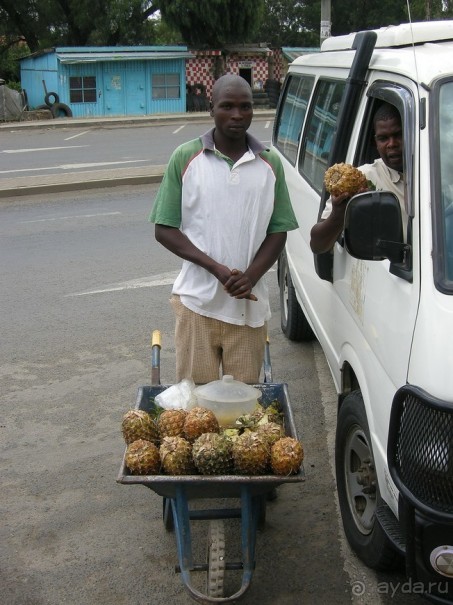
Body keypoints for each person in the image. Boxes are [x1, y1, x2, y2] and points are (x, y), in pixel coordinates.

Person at [149, 74, 298, 384]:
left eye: (245, 107)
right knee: (195, 407)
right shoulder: (186, 157)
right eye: (227, 106)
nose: (237, 115)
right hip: (197, 306)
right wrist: (215, 268)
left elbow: (278, 230)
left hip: (249, 310)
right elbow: (164, 229)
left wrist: (252, 276)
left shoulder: (270, 163)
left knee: (241, 411)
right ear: (211, 107)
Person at [310, 103, 406, 254]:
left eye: (399, 135)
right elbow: (317, 245)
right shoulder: (363, 178)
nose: (392, 144)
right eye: (383, 138)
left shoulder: (435, 175)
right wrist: (339, 214)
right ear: (376, 142)